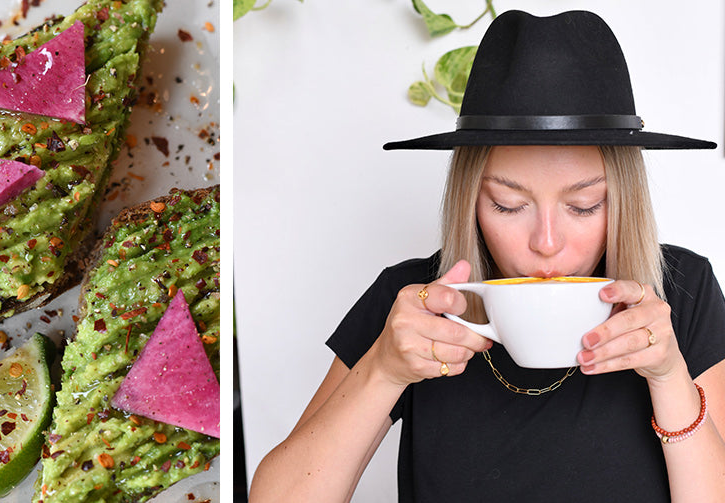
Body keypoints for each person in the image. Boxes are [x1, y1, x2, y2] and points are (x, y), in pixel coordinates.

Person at [248, 10, 725, 503]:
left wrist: (669, 378)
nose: (546, 242)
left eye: (584, 206)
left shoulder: (683, 292)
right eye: (508, 204)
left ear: (622, 198)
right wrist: (383, 370)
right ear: (471, 198)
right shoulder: (414, 305)